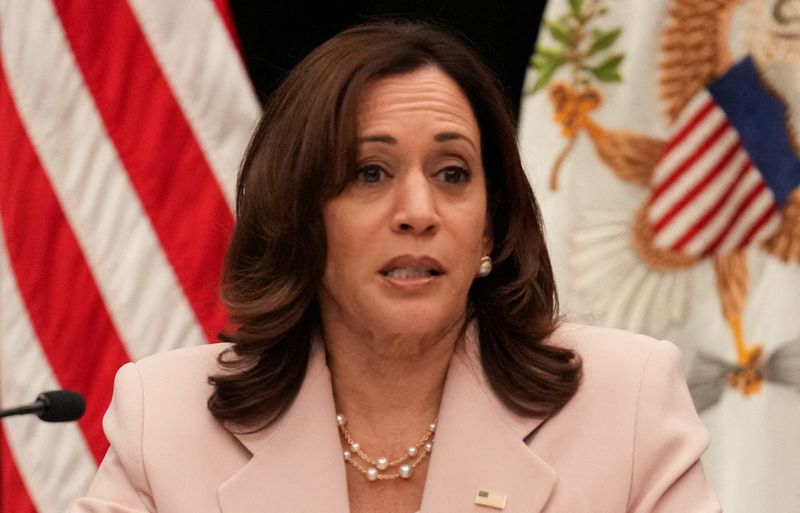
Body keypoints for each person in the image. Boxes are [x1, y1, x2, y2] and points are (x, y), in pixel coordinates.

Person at [70, 20, 721, 513]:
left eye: (453, 173)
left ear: (490, 223)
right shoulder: (168, 418)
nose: (419, 211)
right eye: (369, 173)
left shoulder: (626, 401)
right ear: (298, 214)